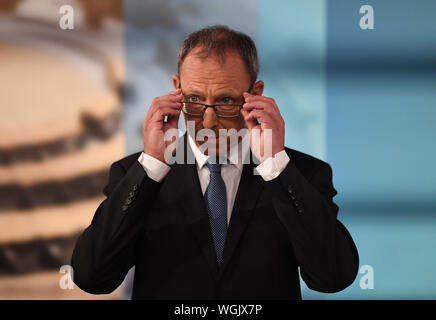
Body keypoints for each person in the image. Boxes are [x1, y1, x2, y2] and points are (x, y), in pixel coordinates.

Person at [71, 25, 359, 299]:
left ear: (256, 95)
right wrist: (152, 166)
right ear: (176, 88)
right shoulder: (136, 174)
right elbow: (92, 278)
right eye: (194, 99)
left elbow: (333, 278)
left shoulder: (303, 174)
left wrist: (276, 167)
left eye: (225, 101)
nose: (208, 121)